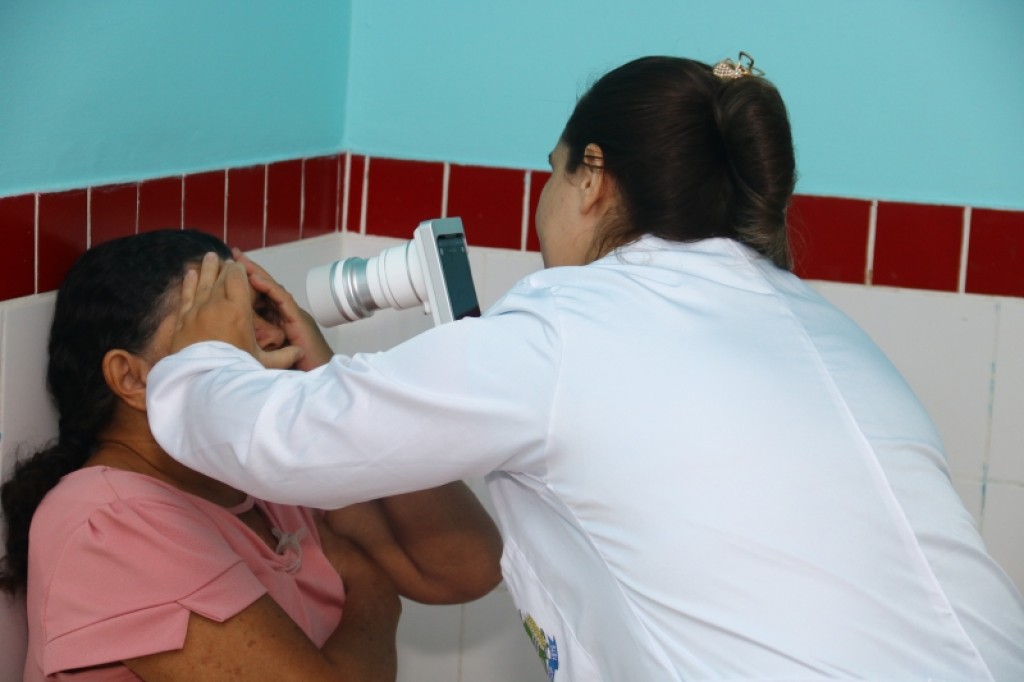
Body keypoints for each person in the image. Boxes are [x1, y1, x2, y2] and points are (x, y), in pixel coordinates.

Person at [146, 55, 1024, 681]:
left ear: (591, 178)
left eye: (552, 175)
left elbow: (284, 444)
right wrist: (327, 368)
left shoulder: (572, 327)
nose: (543, 204)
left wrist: (195, 355)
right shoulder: (816, 321)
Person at [0, 229, 503, 681]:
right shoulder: (108, 521)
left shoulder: (251, 470)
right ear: (131, 378)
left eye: (261, 313)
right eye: (221, 327)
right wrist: (374, 591)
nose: (271, 335)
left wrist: (328, 376)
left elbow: (466, 566)